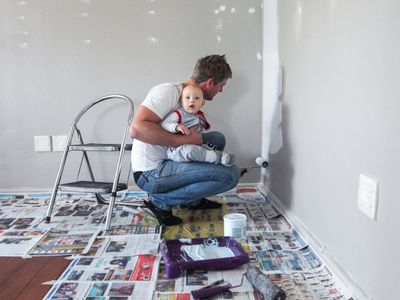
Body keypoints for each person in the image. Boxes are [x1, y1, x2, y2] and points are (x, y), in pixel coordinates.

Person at [129, 54, 240, 226]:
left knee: (217, 139)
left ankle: (191, 200)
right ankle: (160, 201)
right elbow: (136, 129)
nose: (221, 91)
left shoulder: (191, 99)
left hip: (172, 156)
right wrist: (181, 141)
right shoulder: (169, 92)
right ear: (210, 82)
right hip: (151, 172)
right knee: (231, 175)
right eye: (221, 86)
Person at [160, 84, 235, 166]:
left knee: (206, 148)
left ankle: (222, 158)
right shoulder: (178, 114)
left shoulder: (198, 116)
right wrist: (176, 127)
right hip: (177, 150)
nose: (192, 101)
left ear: (202, 103)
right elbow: (164, 124)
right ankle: (218, 158)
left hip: (195, 144)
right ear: (181, 101)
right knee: (192, 151)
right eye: (187, 98)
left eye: (196, 98)